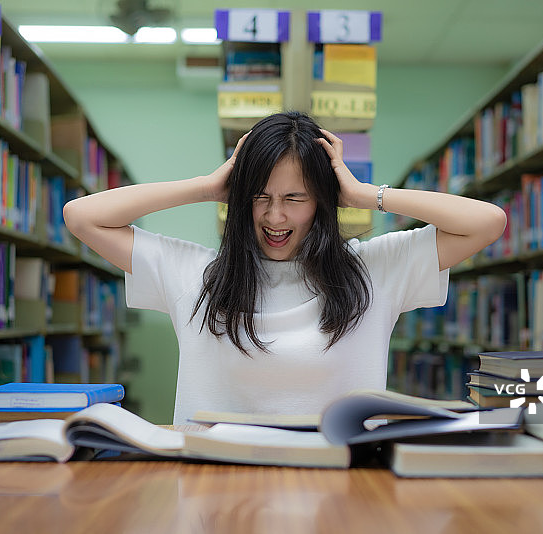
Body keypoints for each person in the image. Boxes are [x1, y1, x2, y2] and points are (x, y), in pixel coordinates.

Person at [63, 111, 506, 423]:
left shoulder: (373, 271)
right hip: (219, 499)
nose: (275, 218)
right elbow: (81, 217)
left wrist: (361, 194)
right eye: (260, 197)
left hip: (339, 496)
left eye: (295, 199)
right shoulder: (196, 276)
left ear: (321, 201)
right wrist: (205, 187)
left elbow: (487, 223)